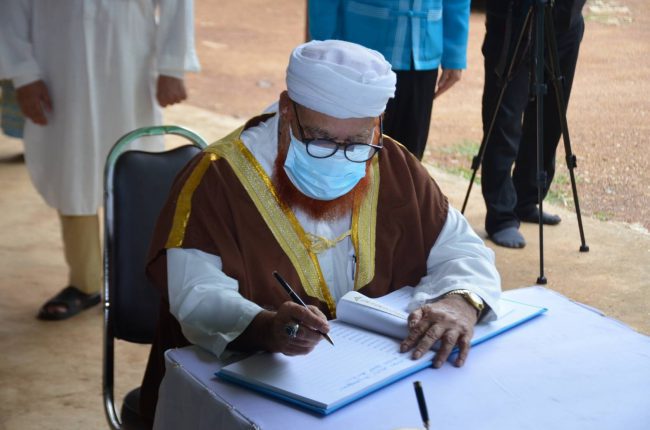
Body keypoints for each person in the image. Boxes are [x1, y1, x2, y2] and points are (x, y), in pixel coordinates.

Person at [139, 40, 501, 424]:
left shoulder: (392, 162)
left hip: (374, 387)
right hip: (249, 395)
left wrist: (461, 299)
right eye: (320, 138)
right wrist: (265, 327)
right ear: (286, 111)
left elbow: (461, 247)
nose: (339, 155)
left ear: (377, 124)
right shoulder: (218, 177)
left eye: (357, 141)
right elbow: (197, 295)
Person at [0, 0, 200, 319]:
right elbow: (12, 8)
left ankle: (138, 283)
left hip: (128, 65)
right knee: (71, 170)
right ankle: (85, 283)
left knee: (136, 171)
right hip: (58, 69)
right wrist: (24, 75)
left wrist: (172, 66)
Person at [480, 0, 586, 248]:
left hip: (565, 18)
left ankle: (526, 198)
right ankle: (501, 216)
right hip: (514, 17)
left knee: (551, 115)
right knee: (504, 116)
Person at [307, 0, 471, 160]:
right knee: (351, 154)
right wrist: (324, 47)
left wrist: (455, 53)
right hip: (358, 55)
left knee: (409, 159)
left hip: (421, 58)